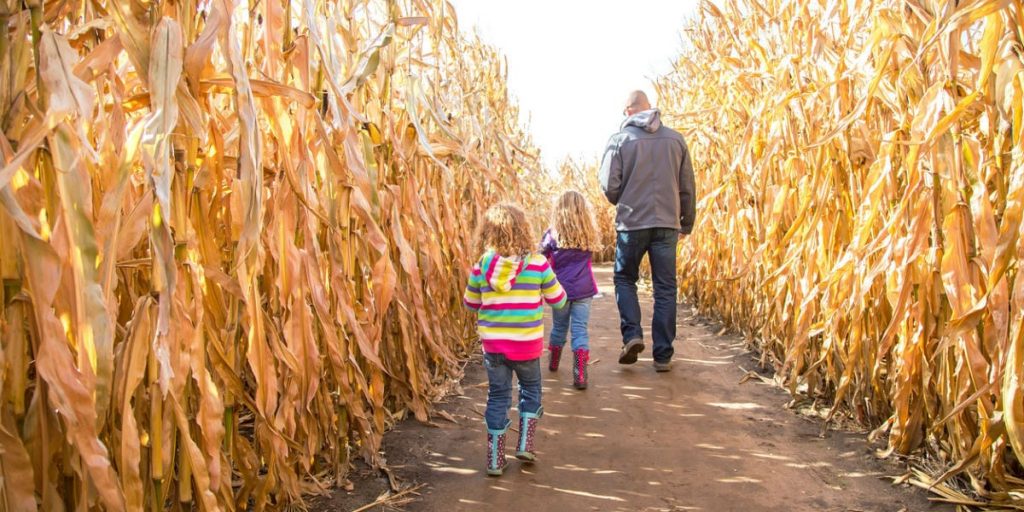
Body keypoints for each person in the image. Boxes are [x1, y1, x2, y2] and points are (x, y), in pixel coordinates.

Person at [463, 203, 568, 476]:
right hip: (527, 345)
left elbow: (470, 303)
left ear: (487, 232)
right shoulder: (538, 264)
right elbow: (558, 300)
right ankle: (525, 443)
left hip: (494, 346)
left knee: (497, 396)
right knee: (531, 390)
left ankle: (495, 460)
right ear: (524, 230)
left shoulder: (481, 266)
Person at [599, 90, 696, 372]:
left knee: (625, 278)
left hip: (632, 222)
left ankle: (632, 336)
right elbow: (686, 185)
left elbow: (609, 186)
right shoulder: (675, 139)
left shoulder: (619, 140)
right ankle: (663, 355)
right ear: (650, 108)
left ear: (629, 111)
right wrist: (686, 222)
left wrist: (623, 198)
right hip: (667, 223)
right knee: (665, 287)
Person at [540, 190, 600, 390]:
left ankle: (554, 362)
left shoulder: (551, 235)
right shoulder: (588, 232)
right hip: (584, 290)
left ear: (558, 210)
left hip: (560, 291)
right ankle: (580, 374)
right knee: (580, 330)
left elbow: (541, 256)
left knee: (559, 327)